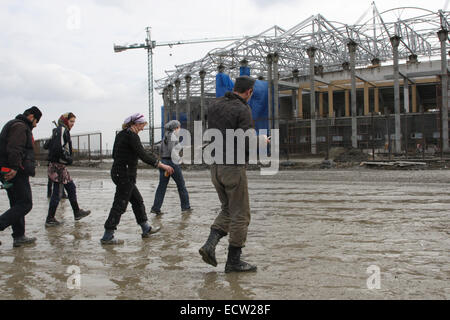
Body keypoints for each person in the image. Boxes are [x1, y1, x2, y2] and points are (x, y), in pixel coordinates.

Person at [199, 75, 269, 273]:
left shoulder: (214, 105)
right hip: (233, 167)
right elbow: (246, 140)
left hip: (215, 167)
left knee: (228, 209)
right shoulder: (243, 108)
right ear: (249, 92)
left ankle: (209, 245)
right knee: (241, 215)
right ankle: (233, 262)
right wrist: (261, 140)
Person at [101, 113, 174, 245]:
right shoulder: (132, 136)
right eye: (141, 125)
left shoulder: (121, 134)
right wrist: (163, 166)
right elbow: (143, 155)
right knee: (120, 204)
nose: (142, 128)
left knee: (137, 200)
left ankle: (146, 228)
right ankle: (107, 236)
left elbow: (114, 154)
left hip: (118, 173)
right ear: (134, 124)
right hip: (125, 175)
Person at [0, 107, 42, 247]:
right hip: (15, 171)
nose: (36, 125)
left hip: (8, 169)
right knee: (25, 203)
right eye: (36, 121)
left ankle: (19, 236)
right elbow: (14, 148)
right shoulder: (20, 127)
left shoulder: (14, 124)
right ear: (31, 116)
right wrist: (15, 167)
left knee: (16, 203)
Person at [45, 112, 91, 227]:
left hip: (59, 165)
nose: (73, 124)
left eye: (74, 122)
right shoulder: (61, 130)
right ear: (65, 121)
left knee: (71, 187)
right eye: (71, 121)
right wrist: (67, 159)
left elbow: (47, 145)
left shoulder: (58, 130)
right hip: (58, 166)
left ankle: (77, 212)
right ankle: (50, 218)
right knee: (58, 192)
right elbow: (57, 148)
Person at [150, 120, 191, 215]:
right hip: (172, 162)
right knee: (181, 185)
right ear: (175, 127)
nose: (180, 129)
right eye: (179, 127)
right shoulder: (173, 136)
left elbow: (161, 149)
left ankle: (156, 208)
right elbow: (172, 150)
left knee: (162, 187)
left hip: (164, 162)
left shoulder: (165, 135)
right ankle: (186, 207)